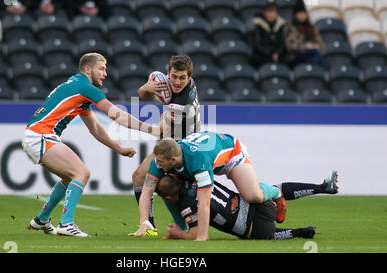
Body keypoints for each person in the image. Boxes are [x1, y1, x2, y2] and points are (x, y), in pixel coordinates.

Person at [23, 52, 160, 237]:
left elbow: (95, 127)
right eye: (101, 69)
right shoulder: (85, 88)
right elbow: (117, 115)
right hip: (41, 135)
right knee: (81, 173)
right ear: (87, 68)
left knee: (69, 177)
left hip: (36, 135)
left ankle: (42, 219)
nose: (105, 74)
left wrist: (118, 148)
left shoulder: (76, 87)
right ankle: (66, 224)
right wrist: (152, 129)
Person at [134, 131, 286, 241]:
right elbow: (147, 192)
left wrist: (202, 235)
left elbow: (204, 201)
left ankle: (275, 191)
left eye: (160, 162)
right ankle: (183, 228)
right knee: (166, 188)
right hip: (201, 158)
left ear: (172, 160)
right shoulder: (160, 161)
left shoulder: (198, 162)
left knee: (254, 196)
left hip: (231, 153)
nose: (157, 164)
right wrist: (144, 221)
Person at [129, 55, 202, 236]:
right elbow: (144, 94)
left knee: (166, 187)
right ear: (168, 73)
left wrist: (129, 123)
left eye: (182, 78)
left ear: (190, 77)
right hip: (171, 141)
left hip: (185, 149)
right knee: (139, 176)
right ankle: (149, 227)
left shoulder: (183, 103)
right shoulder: (172, 84)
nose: (177, 82)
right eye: (174, 76)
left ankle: (182, 226)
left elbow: (159, 129)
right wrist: (145, 89)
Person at [156, 171, 338, 240]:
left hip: (257, 227)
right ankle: (322, 187)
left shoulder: (186, 205)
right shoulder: (195, 176)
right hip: (259, 204)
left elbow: (196, 234)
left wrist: (179, 233)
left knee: (265, 235)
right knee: (272, 189)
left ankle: (297, 232)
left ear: (169, 198)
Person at [284, 0, 328, 70]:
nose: (302, 15)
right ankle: (327, 73)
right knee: (315, 53)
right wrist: (308, 46)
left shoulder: (311, 27)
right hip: (296, 57)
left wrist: (317, 47)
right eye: (299, 13)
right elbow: (291, 46)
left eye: (303, 13)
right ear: (295, 14)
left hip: (312, 55)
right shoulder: (291, 27)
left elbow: (321, 45)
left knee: (315, 59)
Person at [248, 2, 287, 68]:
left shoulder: (280, 25)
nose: (271, 15)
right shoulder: (258, 25)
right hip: (262, 56)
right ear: (265, 13)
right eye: (269, 12)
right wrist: (270, 54)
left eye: (273, 12)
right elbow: (257, 44)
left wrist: (277, 53)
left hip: (277, 55)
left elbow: (282, 43)